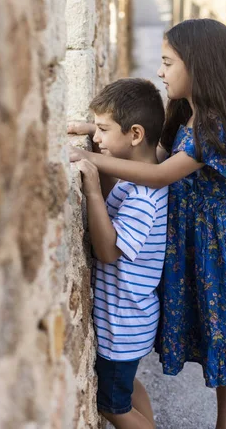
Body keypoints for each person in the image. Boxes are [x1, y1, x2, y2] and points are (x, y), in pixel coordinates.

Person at [69, 19, 226, 429]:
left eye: (168, 63)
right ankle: (224, 423)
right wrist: (99, 130)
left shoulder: (214, 128)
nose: (160, 72)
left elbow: (160, 175)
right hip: (190, 247)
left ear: (198, 67)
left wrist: (87, 159)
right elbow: (150, 152)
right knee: (219, 347)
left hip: (214, 250)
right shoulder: (186, 114)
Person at [70, 78, 168, 429]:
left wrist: (94, 191)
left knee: (113, 405)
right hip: (132, 317)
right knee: (126, 386)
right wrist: (92, 129)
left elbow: (109, 252)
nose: (95, 139)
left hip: (122, 322)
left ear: (135, 134)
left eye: (102, 129)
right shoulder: (149, 164)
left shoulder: (142, 197)